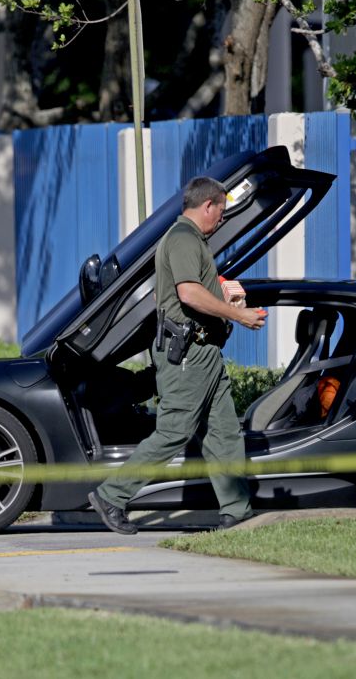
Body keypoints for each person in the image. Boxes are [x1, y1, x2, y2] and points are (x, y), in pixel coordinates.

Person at [88, 176, 266, 534]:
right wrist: (238, 315)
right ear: (208, 206)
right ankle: (112, 496)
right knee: (174, 431)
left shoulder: (185, 239)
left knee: (224, 433)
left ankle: (237, 509)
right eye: (221, 211)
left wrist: (223, 295)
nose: (222, 219)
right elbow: (188, 294)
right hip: (188, 354)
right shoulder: (184, 239)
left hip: (203, 353)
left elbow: (175, 295)